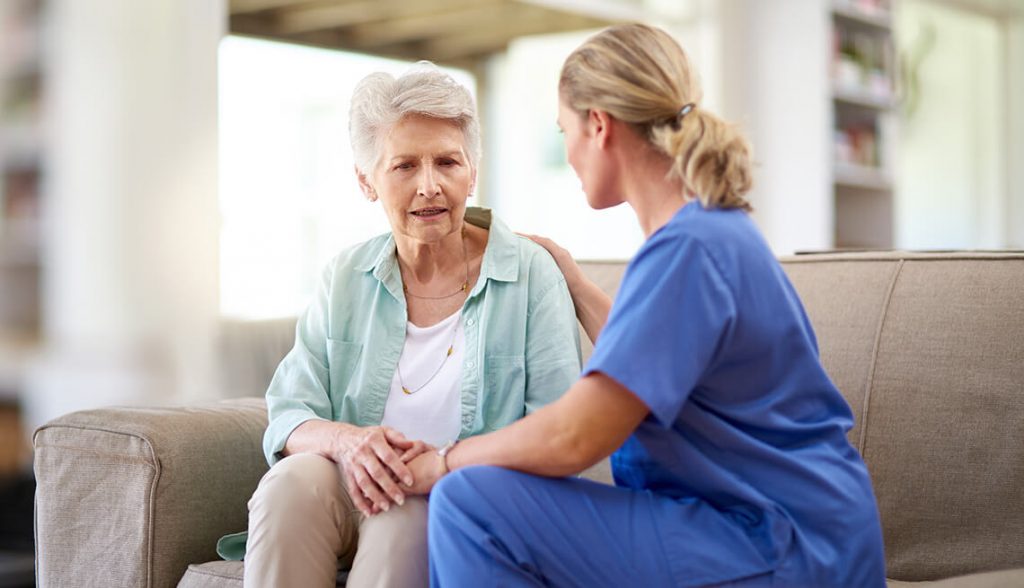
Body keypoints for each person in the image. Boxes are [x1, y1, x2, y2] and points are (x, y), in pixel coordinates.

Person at [405, 24, 886, 587]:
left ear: (600, 126)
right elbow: (652, 366)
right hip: (797, 533)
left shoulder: (689, 252)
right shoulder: (708, 233)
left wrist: (444, 459)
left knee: (470, 500)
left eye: (566, 131)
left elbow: (576, 436)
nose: (568, 152)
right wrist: (577, 285)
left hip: (782, 544)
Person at [225, 64, 582, 588]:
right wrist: (350, 443)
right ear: (367, 181)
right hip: (348, 490)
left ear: (473, 171)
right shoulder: (346, 275)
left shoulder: (530, 274)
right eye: (405, 166)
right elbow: (289, 412)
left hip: (458, 500)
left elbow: (556, 429)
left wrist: (436, 469)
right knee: (289, 482)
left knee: (403, 513)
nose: (430, 185)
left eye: (447, 162)